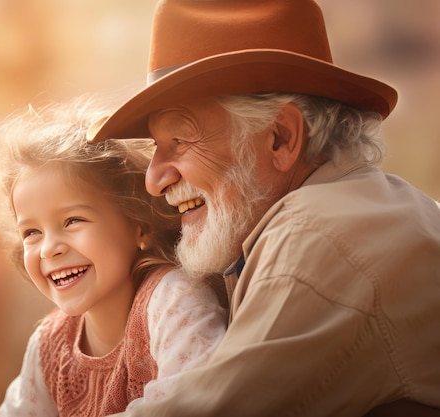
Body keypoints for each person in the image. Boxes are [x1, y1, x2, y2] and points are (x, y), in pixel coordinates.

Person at [86, 0, 440, 415]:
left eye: (180, 141)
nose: (154, 178)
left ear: (281, 139)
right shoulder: (343, 209)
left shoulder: (316, 235)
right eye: (155, 147)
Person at [0, 98, 228, 417]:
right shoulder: (49, 344)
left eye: (73, 221)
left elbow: (191, 404)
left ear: (139, 225)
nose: (48, 249)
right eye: (31, 232)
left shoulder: (173, 299)